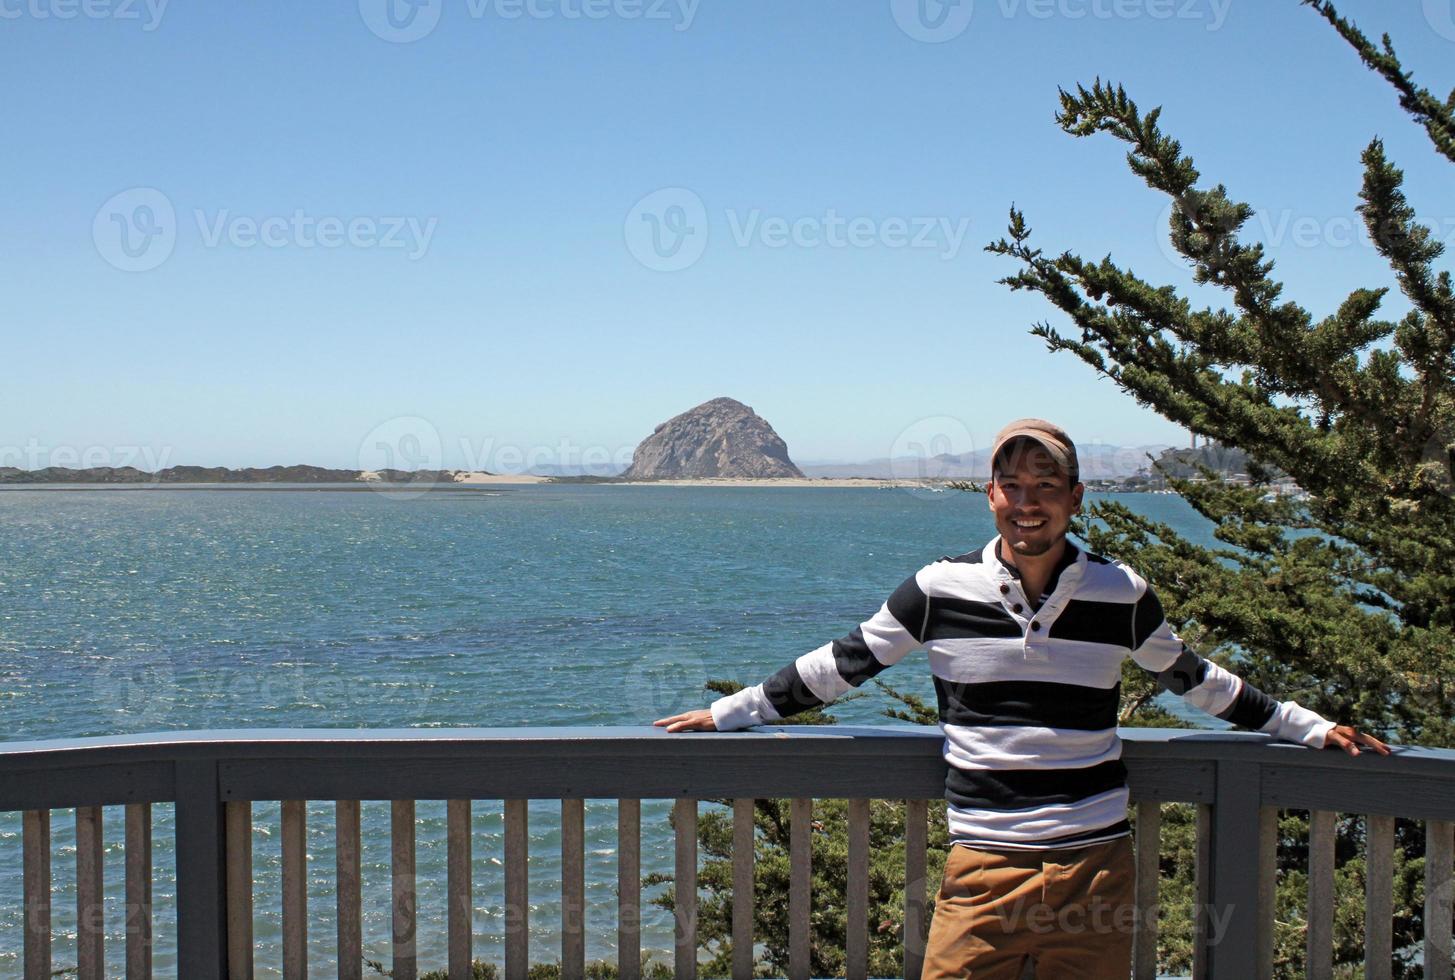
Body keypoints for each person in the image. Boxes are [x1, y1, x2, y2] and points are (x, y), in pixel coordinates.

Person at [654, 418, 1389, 979]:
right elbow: (841, 665)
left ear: (1074, 497)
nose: (1026, 503)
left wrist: (1307, 727)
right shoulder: (938, 589)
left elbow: (1196, 680)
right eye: (1011, 485)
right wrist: (727, 713)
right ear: (990, 496)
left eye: (1045, 486)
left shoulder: (1119, 592)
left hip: (1095, 866)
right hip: (982, 866)